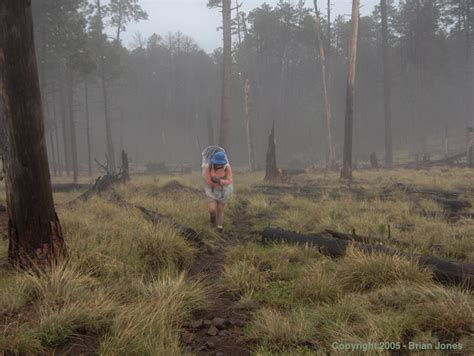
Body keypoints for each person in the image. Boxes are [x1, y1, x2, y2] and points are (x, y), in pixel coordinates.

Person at [203, 151, 233, 233]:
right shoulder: (208, 167)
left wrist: (222, 182)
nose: (219, 165)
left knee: (220, 209)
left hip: (223, 191)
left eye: (220, 163)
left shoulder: (227, 167)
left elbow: (230, 180)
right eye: (217, 163)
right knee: (212, 209)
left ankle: (220, 227)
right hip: (211, 190)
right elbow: (208, 181)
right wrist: (215, 183)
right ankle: (213, 216)